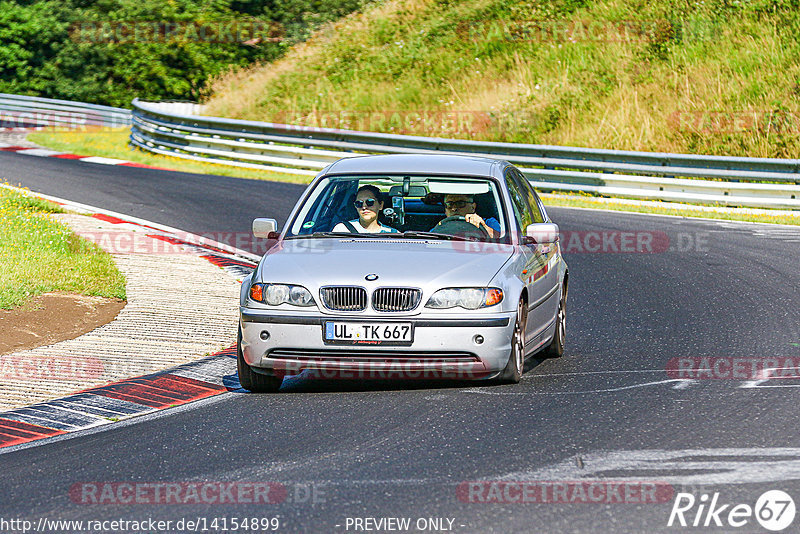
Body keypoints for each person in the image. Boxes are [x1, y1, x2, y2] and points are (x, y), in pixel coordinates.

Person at [332, 185, 399, 233]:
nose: (364, 207)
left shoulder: (392, 233)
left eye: (370, 202)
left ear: (380, 205)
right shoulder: (342, 229)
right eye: (359, 203)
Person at [433, 194, 500, 238]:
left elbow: (501, 239)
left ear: (473, 207)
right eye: (449, 205)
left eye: (460, 203)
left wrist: (484, 226)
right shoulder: (440, 226)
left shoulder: (489, 222)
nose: (454, 208)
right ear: (445, 210)